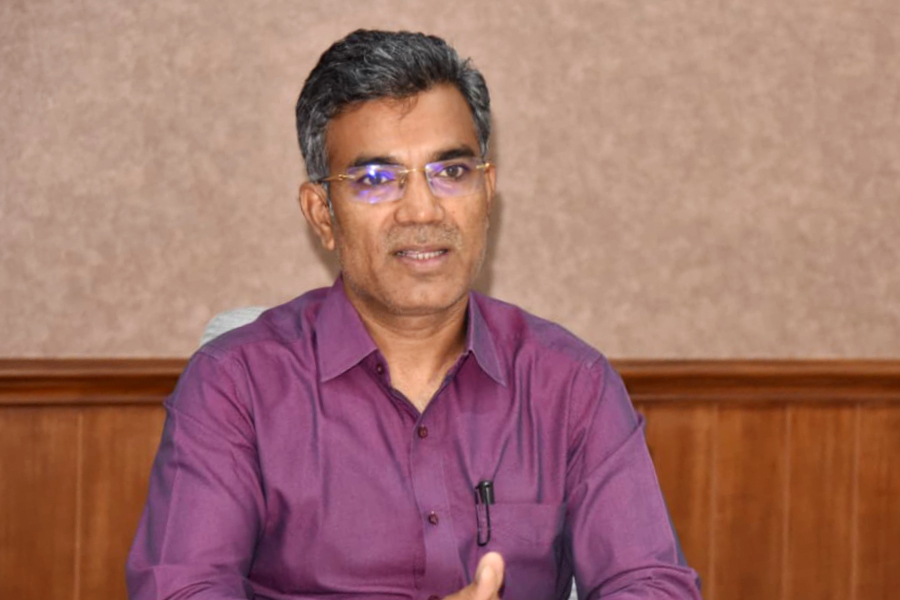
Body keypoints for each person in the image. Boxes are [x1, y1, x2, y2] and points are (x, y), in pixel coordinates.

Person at [126, 29, 702, 600]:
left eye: (450, 172)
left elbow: (652, 586)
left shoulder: (571, 385)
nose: (422, 210)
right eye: (376, 180)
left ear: (487, 192)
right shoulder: (236, 385)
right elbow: (181, 591)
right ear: (322, 214)